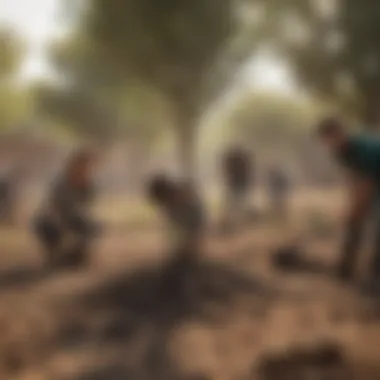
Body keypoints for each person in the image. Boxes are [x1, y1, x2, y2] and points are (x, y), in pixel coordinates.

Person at [316, 117, 380, 290]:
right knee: (354, 223)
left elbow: (366, 186)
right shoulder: (340, 153)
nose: (331, 142)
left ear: (341, 132)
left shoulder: (363, 148)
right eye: (327, 140)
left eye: (334, 136)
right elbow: (354, 179)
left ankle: (374, 275)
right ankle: (346, 269)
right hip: (373, 178)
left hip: (375, 178)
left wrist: (354, 211)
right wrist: (351, 209)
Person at [33, 149, 99, 268]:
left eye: (87, 167)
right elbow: (53, 207)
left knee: (91, 225)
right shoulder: (60, 183)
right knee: (44, 224)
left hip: (71, 215)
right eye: (82, 165)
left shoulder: (88, 184)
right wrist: (65, 230)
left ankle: (78, 251)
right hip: (52, 216)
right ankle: (54, 251)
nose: (85, 170)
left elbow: (85, 206)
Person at [146, 174, 205, 264]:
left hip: (192, 220)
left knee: (188, 244)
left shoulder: (185, 197)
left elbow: (195, 224)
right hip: (187, 224)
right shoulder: (170, 204)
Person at [220, 146, 253, 231]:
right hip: (237, 185)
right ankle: (235, 222)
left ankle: (235, 223)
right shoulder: (241, 163)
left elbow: (229, 174)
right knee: (236, 203)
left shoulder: (236, 164)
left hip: (237, 185)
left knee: (235, 203)